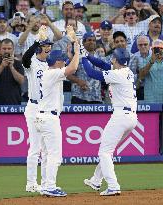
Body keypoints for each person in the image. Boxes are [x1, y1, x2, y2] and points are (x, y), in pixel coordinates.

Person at [81, 47, 137, 196]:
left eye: (113, 57)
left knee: (104, 152)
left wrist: (82, 58)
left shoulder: (117, 74)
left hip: (121, 116)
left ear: (116, 59)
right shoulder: (127, 71)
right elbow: (102, 64)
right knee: (108, 150)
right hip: (131, 118)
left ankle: (113, 186)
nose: (111, 59)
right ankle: (96, 180)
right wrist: (86, 54)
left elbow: (91, 73)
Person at [34, 40, 80, 197]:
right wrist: (77, 49)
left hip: (42, 116)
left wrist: (69, 55)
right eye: (61, 59)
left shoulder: (51, 72)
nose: (64, 61)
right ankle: (50, 186)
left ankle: (46, 185)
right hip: (49, 118)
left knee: (47, 155)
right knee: (55, 155)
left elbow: (68, 64)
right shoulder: (53, 73)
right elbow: (73, 67)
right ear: (57, 61)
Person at [22, 26, 53, 192]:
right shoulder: (32, 61)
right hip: (34, 106)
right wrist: (36, 41)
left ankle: (46, 182)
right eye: (46, 44)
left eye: (49, 45)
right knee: (35, 148)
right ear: (40, 47)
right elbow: (25, 58)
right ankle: (31, 183)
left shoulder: (49, 65)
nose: (48, 47)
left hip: (46, 108)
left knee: (47, 149)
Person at [0, 38, 24, 105]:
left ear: (13, 50)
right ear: (0, 50)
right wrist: (2, 66)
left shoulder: (18, 63)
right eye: (4, 48)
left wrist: (11, 67)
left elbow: (21, 81)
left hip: (14, 101)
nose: (6, 51)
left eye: (9, 48)